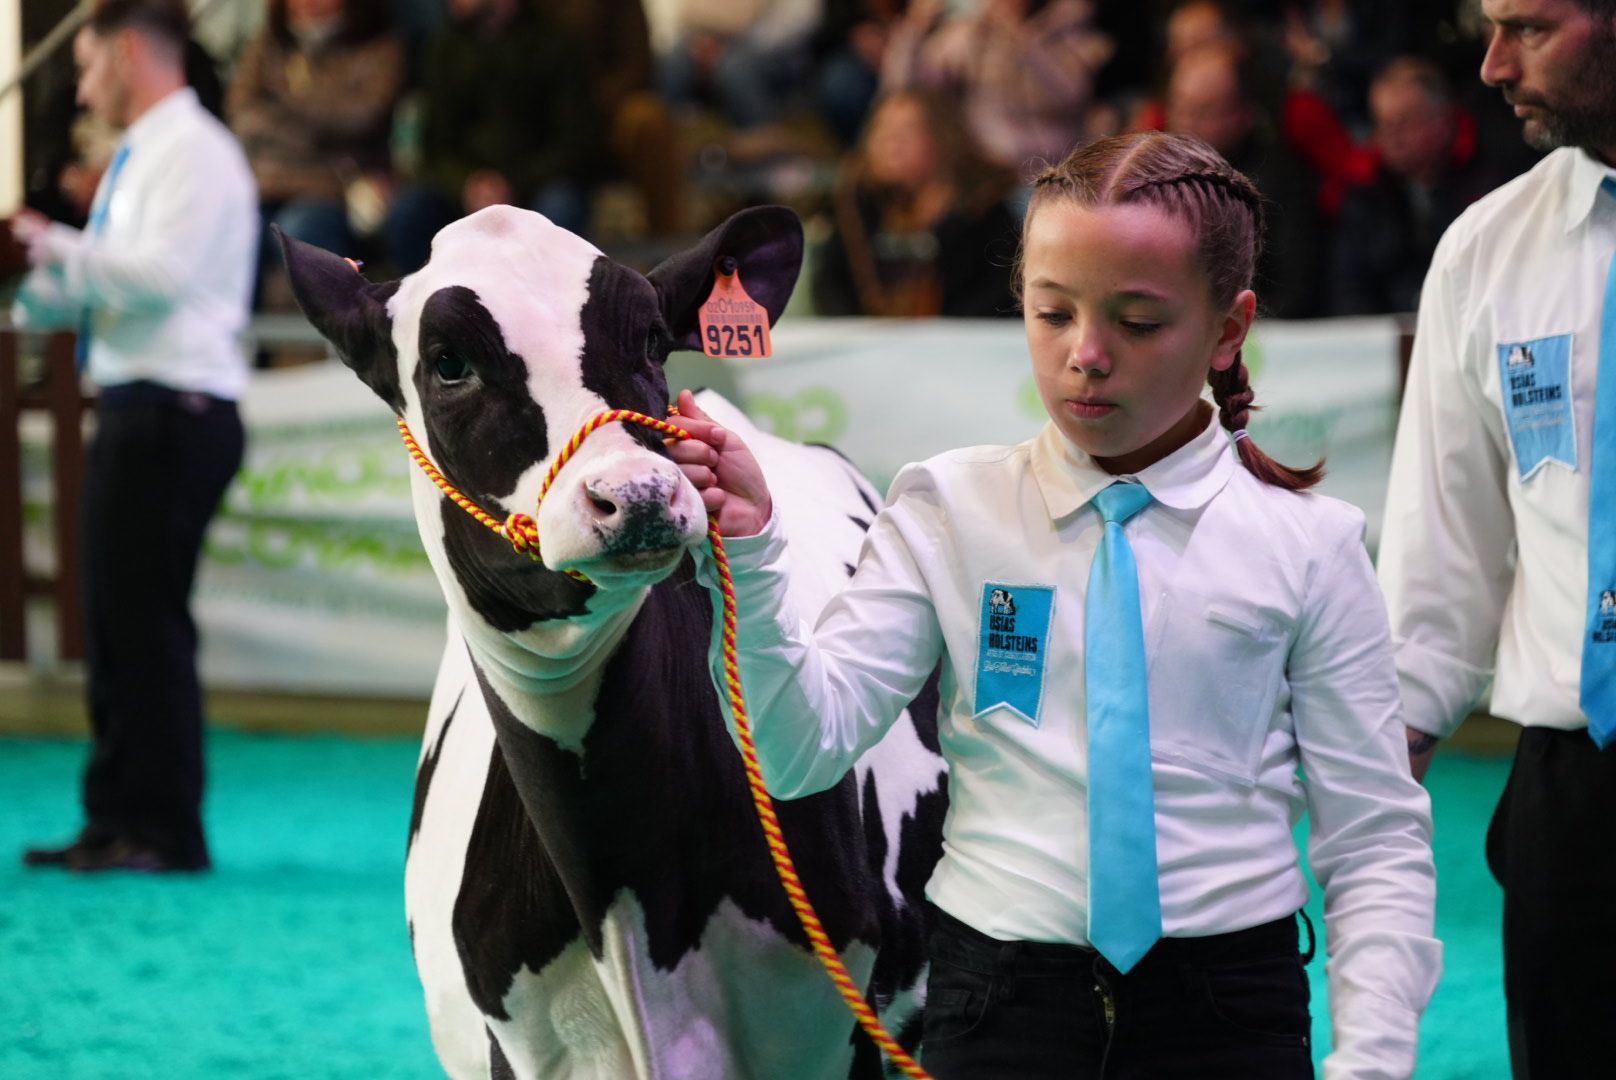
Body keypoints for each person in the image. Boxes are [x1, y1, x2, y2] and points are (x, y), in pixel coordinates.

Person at [671, 131, 1441, 1077]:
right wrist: (749, 552)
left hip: (1232, 1013)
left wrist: (1373, 1063)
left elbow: (1374, 839)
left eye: (1139, 321)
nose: (1086, 355)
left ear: (1229, 328)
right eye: (1051, 312)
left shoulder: (1313, 546)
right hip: (996, 1011)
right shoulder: (946, 507)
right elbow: (797, 753)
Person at [1376, 1, 1616, 1076]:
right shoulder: (1484, 250)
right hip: (1571, 789)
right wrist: (1380, 770)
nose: (1489, 63)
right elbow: (1443, 543)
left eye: (1527, 24)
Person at [7, 0, 256, 873]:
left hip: (171, 410)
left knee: (141, 626)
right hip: (147, 407)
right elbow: (111, 281)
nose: (80, 86)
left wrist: (45, 245)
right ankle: (119, 817)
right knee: (121, 623)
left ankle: (159, 829)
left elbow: (158, 276)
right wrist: (35, 275)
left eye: (83, 65)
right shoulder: (154, 153)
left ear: (123, 53)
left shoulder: (187, 150)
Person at [227, 0, 406, 276]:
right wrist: (312, 128)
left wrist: (280, 109)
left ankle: (332, 312)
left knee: (300, 229)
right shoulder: (268, 43)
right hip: (268, 182)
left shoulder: (377, 45)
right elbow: (241, 113)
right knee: (231, 227)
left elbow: (361, 118)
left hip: (334, 185)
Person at [811, 88, 1020, 317]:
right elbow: (830, 285)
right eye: (882, 129)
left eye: (907, 131)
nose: (891, 143)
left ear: (942, 137)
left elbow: (1001, 290)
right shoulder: (856, 206)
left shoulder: (983, 207)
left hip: (964, 341)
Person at [1331, 57, 1508, 315]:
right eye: (1382, 123)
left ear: (1443, 123)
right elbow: (1346, 287)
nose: (1391, 137)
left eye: (1403, 122)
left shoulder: (1489, 186)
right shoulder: (1364, 192)